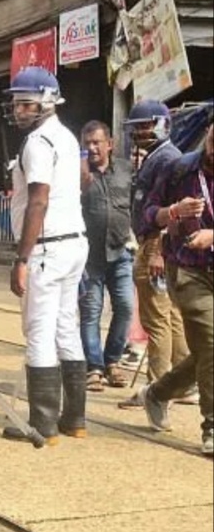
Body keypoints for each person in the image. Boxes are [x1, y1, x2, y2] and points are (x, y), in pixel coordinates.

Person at [2, 67, 88, 444]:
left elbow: (38, 200)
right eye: (17, 103)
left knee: (38, 330)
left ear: (47, 102)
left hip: (46, 247)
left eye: (26, 103)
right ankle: (75, 420)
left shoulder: (38, 142)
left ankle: (42, 424)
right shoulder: (67, 137)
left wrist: (21, 259)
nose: (19, 110)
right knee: (66, 326)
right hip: (74, 243)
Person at [129, 124, 213, 455]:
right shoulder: (179, 169)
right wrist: (174, 212)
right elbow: (148, 216)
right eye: (211, 144)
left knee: (208, 352)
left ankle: (158, 393)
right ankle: (211, 426)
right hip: (189, 270)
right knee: (210, 342)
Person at [123, 100, 187, 395]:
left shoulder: (167, 159)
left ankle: (157, 388)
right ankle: (184, 383)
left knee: (156, 319)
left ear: (162, 125)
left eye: (145, 126)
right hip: (156, 244)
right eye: (136, 128)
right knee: (171, 315)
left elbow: (169, 208)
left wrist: (157, 249)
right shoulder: (158, 157)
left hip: (155, 244)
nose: (139, 133)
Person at [78, 120, 135, 392]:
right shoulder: (78, 173)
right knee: (91, 311)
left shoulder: (126, 170)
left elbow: (139, 202)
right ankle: (94, 367)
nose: (91, 148)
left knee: (124, 307)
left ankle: (112, 361)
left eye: (96, 142)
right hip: (89, 257)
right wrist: (80, 178)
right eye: (87, 143)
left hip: (121, 250)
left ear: (109, 144)